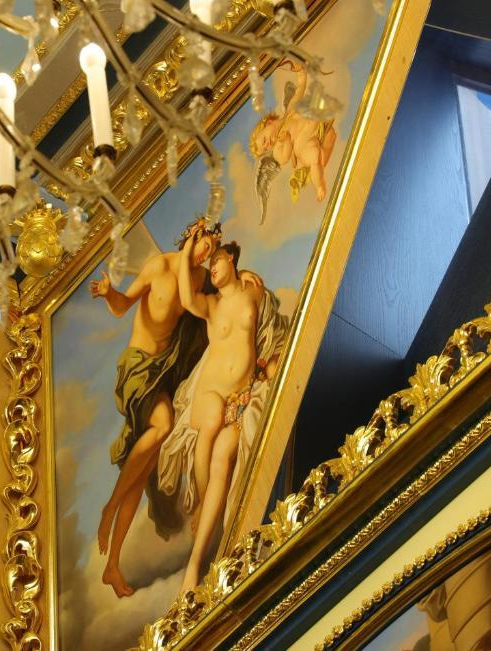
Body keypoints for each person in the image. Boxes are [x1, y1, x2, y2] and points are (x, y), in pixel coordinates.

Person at [88, 219, 219, 597]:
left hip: (164, 373)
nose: (206, 253)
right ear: (191, 235)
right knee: (162, 427)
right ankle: (109, 507)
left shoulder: (199, 280)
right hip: (137, 368)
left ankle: (112, 566)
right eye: (204, 244)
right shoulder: (159, 266)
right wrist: (109, 292)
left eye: (211, 249)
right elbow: (122, 308)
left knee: (143, 469)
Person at [175, 233, 265, 593]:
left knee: (223, 460)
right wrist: (188, 251)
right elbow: (186, 298)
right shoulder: (211, 305)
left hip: (240, 398)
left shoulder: (253, 291)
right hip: (211, 394)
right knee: (211, 420)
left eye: (217, 260)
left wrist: (251, 275)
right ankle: (199, 505)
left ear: (232, 260)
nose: (212, 267)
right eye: (209, 264)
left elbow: (268, 319)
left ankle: (200, 561)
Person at [250, 59, 338, 222]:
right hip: (302, 145)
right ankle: (320, 185)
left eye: (263, 141)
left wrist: (300, 72)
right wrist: (285, 141)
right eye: (265, 149)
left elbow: (300, 87)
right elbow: (284, 157)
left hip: (313, 127)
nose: (267, 145)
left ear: (267, 123)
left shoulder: (289, 111)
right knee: (314, 155)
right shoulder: (277, 148)